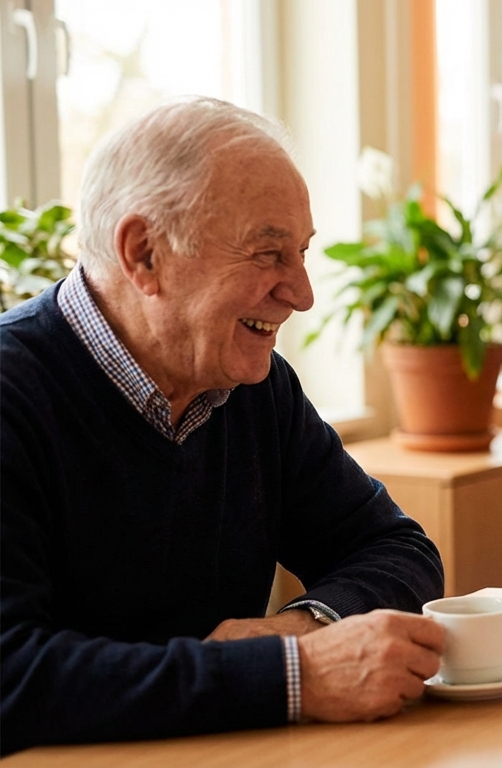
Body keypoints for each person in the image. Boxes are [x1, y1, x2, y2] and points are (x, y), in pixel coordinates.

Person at [0, 98, 447, 755]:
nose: (301, 291)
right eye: (268, 254)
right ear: (144, 253)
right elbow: (12, 676)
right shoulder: (14, 393)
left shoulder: (254, 388)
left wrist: (295, 629)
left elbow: (399, 550)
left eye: (301, 253)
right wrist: (292, 677)